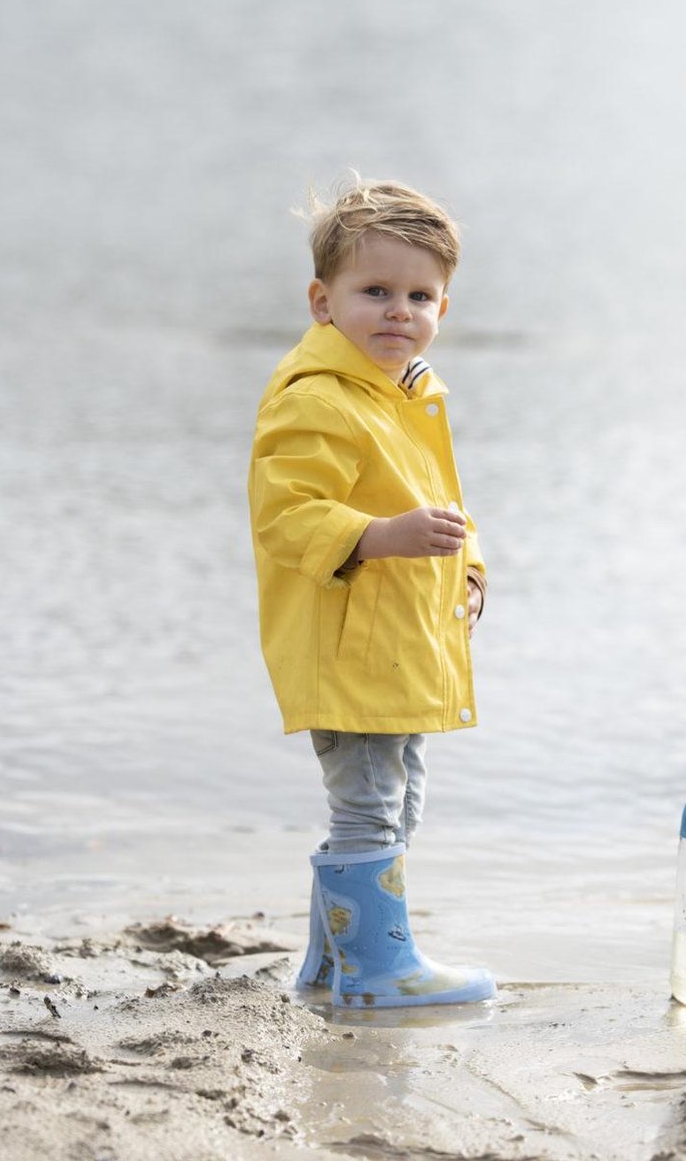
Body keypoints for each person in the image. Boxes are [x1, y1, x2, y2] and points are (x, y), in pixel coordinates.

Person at [247, 179, 495, 1008]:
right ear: (323, 302)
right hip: (350, 643)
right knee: (369, 808)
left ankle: (332, 966)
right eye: (375, 292)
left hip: (400, 639)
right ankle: (379, 971)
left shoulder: (408, 393)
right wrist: (383, 536)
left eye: (419, 297)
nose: (399, 312)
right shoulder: (316, 398)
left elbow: (438, 500)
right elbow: (288, 516)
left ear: (443, 309)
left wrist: (469, 569)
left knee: (399, 800)